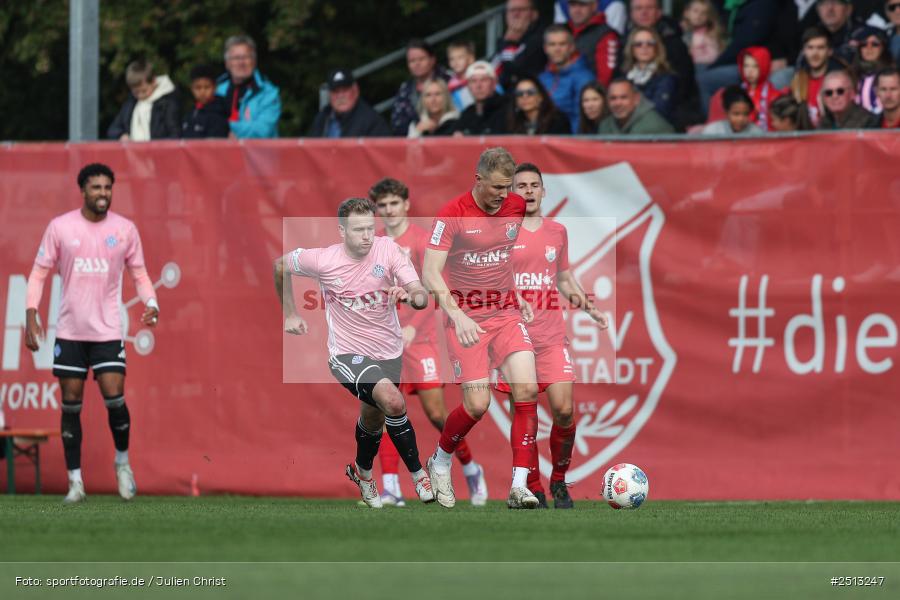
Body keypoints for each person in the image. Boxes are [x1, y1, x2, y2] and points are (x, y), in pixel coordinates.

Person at [273, 197, 434, 509]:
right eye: (358, 230)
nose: (366, 236)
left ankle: (363, 473)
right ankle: (419, 476)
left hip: (388, 353)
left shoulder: (387, 249)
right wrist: (290, 314)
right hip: (346, 355)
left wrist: (410, 294)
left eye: (369, 229)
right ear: (341, 231)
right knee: (393, 400)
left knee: (372, 420)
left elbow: (421, 295)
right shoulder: (322, 259)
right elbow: (279, 265)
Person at [24, 163, 160, 504]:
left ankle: (123, 463)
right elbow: (39, 272)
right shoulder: (61, 227)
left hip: (108, 331)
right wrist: (30, 315)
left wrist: (152, 302)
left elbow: (140, 273)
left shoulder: (125, 229)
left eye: (107, 188)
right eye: (96, 188)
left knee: (115, 397)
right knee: (71, 405)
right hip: (70, 332)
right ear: (83, 190)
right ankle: (75, 482)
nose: (103, 194)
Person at [422, 147, 541, 510]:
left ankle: (520, 486)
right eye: (497, 188)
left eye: (509, 188)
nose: (505, 196)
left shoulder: (515, 207)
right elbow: (429, 273)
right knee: (477, 404)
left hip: (505, 315)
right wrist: (457, 315)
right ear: (478, 180)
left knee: (527, 389)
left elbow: (501, 258)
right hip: (466, 318)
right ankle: (440, 459)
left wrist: (515, 294)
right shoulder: (452, 214)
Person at [369, 178, 488, 507]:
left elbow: (436, 289)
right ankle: (391, 486)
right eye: (383, 205)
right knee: (386, 410)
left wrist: (413, 327)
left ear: (406, 204)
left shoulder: (422, 241)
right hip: (386, 343)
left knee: (437, 413)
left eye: (394, 203)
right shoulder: (375, 245)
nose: (389, 210)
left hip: (420, 342)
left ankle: (470, 468)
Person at [496, 162, 608, 509]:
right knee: (525, 414)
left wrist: (587, 305)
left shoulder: (557, 231)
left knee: (563, 411)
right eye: (521, 185)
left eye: (534, 185)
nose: (528, 191)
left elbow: (562, 278)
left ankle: (558, 481)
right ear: (511, 192)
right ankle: (533, 487)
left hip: (550, 336)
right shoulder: (500, 233)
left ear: (544, 192)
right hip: (513, 339)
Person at [216, 35, 281, 138]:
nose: (241, 62)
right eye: (236, 58)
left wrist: (224, 129)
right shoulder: (216, 91)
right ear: (227, 63)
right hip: (221, 153)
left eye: (246, 57)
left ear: (254, 61)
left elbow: (262, 131)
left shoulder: (268, 93)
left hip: (258, 153)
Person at [708, 47, 784, 130]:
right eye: (746, 66)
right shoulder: (736, 94)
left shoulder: (775, 96)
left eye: (755, 66)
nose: (749, 71)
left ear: (764, 66)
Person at [539, 25, 596, 132]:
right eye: (552, 44)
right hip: (542, 141)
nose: (557, 49)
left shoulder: (584, 78)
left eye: (562, 44)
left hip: (567, 142)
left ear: (571, 47)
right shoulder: (542, 77)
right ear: (545, 48)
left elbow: (580, 118)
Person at [107, 59, 180, 141]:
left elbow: (175, 134)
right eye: (136, 92)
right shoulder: (131, 103)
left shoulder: (167, 103)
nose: (140, 95)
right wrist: (121, 135)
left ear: (153, 81)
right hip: (132, 152)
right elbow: (113, 129)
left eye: (144, 91)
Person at [391, 39, 452, 137]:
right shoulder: (405, 89)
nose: (417, 64)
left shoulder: (450, 82)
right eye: (412, 61)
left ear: (432, 60)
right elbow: (397, 125)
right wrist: (416, 128)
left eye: (421, 59)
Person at [307, 69, 392, 138]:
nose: (340, 96)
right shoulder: (322, 118)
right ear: (329, 94)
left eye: (345, 90)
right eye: (336, 91)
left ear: (355, 90)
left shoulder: (372, 121)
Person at [622, 26, 678, 122]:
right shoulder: (624, 77)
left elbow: (659, 111)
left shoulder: (666, 78)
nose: (644, 47)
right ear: (631, 49)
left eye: (650, 43)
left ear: (657, 47)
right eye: (638, 44)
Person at [790, 26, 844, 126]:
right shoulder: (798, 80)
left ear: (829, 51)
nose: (815, 53)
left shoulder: (842, 81)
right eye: (810, 48)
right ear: (803, 51)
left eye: (820, 48)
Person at [491, 0, 548, 90]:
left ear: (534, 14)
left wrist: (509, 43)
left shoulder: (541, 39)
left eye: (521, 10)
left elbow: (515, 70)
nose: (516, 14)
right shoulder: (506, 38)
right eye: (512, 10)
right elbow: (493, 68)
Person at [566, 0, 620, 87]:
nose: (577, 10)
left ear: (594, 6)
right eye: (573, 5)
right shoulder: (563, 30)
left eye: (582, 5)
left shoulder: (606, 35)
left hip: (590, 95)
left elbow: (605, 78)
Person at [598, 78, 675, 134]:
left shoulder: (655, 126)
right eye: (613, 98)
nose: (618, 103)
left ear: (636, 99)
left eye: (624, 97)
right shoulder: (604, 126)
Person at [453, 61, 508, 135]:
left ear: (494, 84)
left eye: (484, 80)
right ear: (468, 86)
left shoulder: (507, 110)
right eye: (473, 81)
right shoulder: (466, 114)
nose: (478, 85)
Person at [850, 27, 895, 114]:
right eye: (864, 44)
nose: (869, 48)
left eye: (874, 44)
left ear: (882, 48)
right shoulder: (851, 75)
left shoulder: (894, 75)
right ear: (859, 49)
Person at [506, 75, 572, 134]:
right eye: (519, 94)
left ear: (540, 97)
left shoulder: (558, 121)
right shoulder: (511, 123)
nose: (524, 97)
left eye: (530, 92)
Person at [181, 64, 230, 139]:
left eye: (207, 87)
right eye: (198, 88)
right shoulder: (190, 113)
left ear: (215, 88)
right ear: (192, 89)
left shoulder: (221, 112)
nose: (202, 92)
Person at [680, 0, 724, 68]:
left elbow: (713, 56)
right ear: (687, 13)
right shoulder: (681, 31)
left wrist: (692, 58)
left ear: (708, 17)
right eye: (695, 11)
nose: (699, 15)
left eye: (703, 13)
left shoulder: (709, 34)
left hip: (700, 66)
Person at [447, 40, 477, 111]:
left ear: (471, 59)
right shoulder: (450, 85)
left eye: (460, 57)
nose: (455, 62)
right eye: (452, 59)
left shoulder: (481, 78)